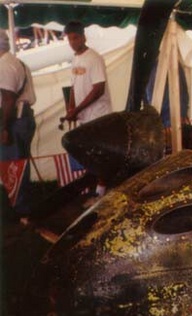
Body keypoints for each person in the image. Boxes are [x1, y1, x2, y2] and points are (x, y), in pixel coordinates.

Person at [62, 21, 112, 197]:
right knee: (90, 154)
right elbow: (74, 86)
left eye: (75, 37)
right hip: (84, 116)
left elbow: (99, 89)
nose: (73, 42)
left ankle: (101, 191)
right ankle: (95, 188)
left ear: (83, 37)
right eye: (69, 39)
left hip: (98, 115)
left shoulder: (94, 58)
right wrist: (71, 108)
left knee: (100, 155)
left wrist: (76, 110)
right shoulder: (75, 59)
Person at [0, 29, 37, 216]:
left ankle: (20, 210)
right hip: (23, 118)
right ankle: (21, 206)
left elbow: (8, 99)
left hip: (15, 119)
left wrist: (3, 128)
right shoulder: (18, 62)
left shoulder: (4, 65)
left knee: (13, 166)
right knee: (18, 164)